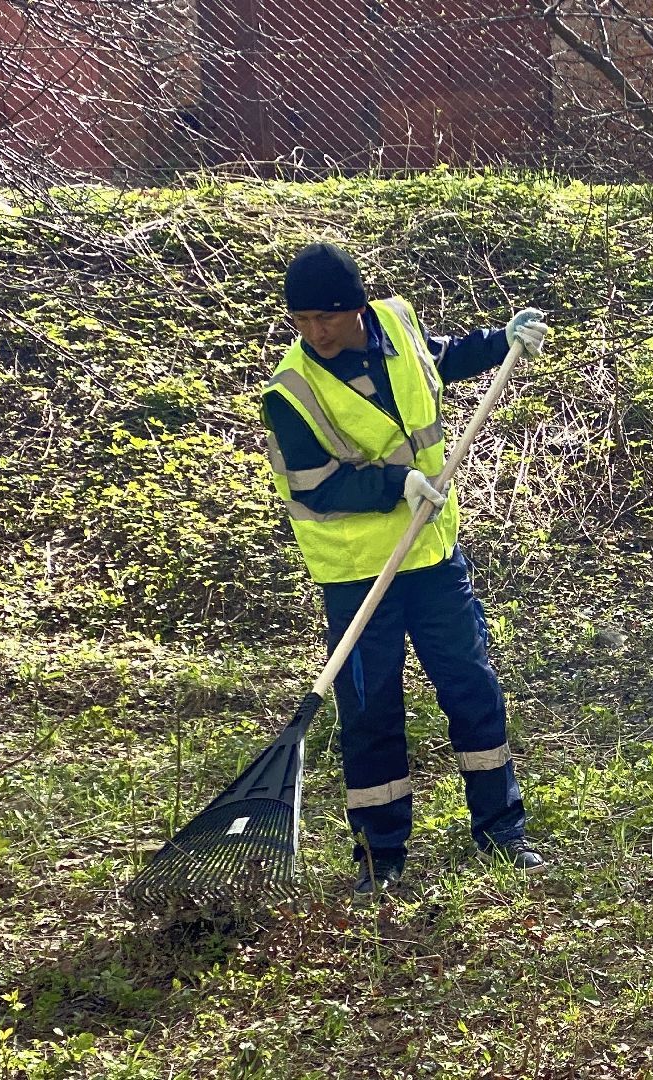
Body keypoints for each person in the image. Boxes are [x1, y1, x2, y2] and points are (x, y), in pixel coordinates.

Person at [261, 241, 548, 896]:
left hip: (432, 560)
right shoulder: (291, 390)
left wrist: (501, 341)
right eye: (301, 321)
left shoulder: (395, 321)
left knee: (471, 686)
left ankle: (502, 831)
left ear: (356, 308)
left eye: (324, 319)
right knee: (369, 712)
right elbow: (317, 485)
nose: (314, 333)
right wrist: (400, 482)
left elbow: (438, 360)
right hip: (357, 574)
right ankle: (379, 857)